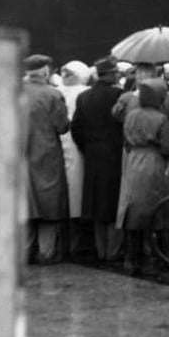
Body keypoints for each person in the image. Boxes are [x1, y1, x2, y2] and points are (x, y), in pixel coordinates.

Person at [116, 78, 169, 274]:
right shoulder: (161, 118)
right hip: (154, 163)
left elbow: (125, 140)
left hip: (132, 161)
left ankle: (131, 260)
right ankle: (161, 259)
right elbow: (167, 147)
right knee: (157, 210)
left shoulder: (130, 115)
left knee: (133, 210)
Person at [70, 56, 125, 261]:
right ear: (110, 74)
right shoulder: (119, 95)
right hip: (115, 154)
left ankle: (101, 251)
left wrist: (87, 147)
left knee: (96, 204)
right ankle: (113, 251)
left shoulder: (84, 97)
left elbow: (76, 128)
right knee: (113, 203)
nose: (118, 75)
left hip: (93, 156)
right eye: (116, 72)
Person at [21, 54, 70, 264]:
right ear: (44, 71)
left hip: (21, 156)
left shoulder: (15, 93)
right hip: (47, 156)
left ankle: (23, 254)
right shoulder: (53, 94)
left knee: (25, 205)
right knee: (48, 206)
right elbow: (62, 127)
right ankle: (46, 253)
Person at [59, 60, 92, 259]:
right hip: (78, 146)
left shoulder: (56, 91)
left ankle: (64, 243)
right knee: (77, 194)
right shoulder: (85, 92)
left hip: (59, 143)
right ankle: (78, 243)